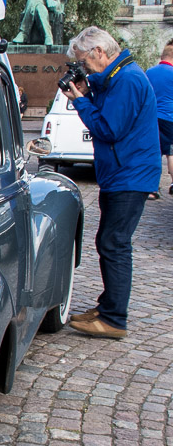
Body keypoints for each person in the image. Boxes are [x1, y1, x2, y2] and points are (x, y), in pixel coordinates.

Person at [61, 27, 161, 339]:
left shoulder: (128, 80)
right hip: (123, 172)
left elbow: (107, 128)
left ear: (100, 52)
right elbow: (109, 115)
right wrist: (89, 92)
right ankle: (108, 308)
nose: (84, 68)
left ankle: (114, 318)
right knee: (109, 240)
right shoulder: (120, 78)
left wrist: (79, 99)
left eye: (84, 62)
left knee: (114, 243)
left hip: (129, 174)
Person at [143, 39, 173, 197]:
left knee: (154, 152)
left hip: (152, 118)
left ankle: (152, 189)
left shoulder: (149, 71)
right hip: (170, 117)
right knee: (172, 153)